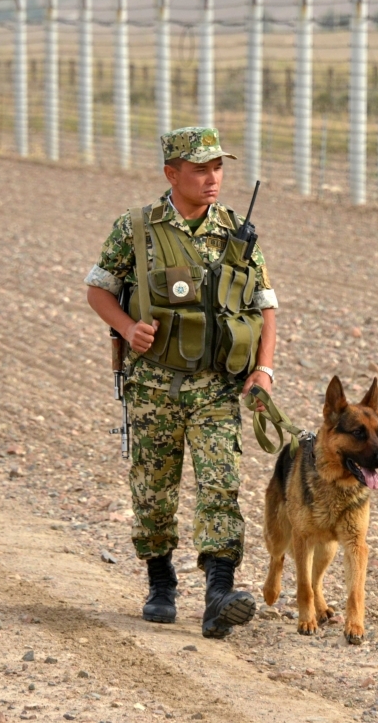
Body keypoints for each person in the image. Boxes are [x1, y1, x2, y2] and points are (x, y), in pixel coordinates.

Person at [85, 127, 278, 639]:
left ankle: (218, 593)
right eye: (200, 169)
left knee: (221, 484)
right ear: (172, 174)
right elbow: (97, 288)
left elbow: (265, 305)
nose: (212, 178)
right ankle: (160, 582)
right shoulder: (136, 229)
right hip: (153, 388)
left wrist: (263, 369)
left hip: (216, 387)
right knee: (153, 492)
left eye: (218, 167)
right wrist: (128, 329)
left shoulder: (236, 231)